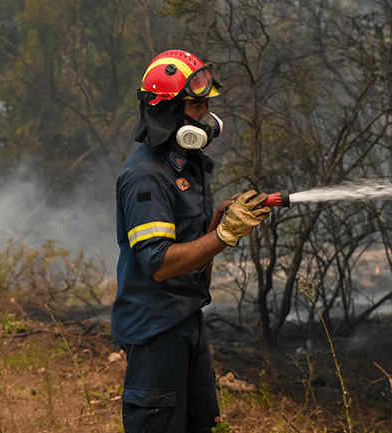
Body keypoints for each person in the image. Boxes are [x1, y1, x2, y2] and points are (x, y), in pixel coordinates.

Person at [112, 50, 272, 432]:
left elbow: (191, 247)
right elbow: (161, 263)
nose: (206, 115)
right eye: (198, 105)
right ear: (169, 112)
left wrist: (218, 221)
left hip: (186, 320)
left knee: (204, 425)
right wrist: (223, 235)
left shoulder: (188, 166)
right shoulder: (146, 178)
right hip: (156, 330)